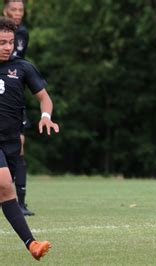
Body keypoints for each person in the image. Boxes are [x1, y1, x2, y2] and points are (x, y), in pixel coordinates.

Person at [0, 16, 57, 260]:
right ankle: (32, 242)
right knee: (4, 184)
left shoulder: (23, 67)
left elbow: (44, 98)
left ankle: (31, 246)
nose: (7, 47)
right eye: (1, 42)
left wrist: (45, 116)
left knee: (4, 193)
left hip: (11, 141)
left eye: (10, 42)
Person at [3, 0, 32, 215]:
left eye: (21, 10)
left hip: (13, 90)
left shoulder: (23, 33)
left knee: (19, 145)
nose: (18, 13)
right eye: (14, 9)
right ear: (5, 11)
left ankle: (20, 201)